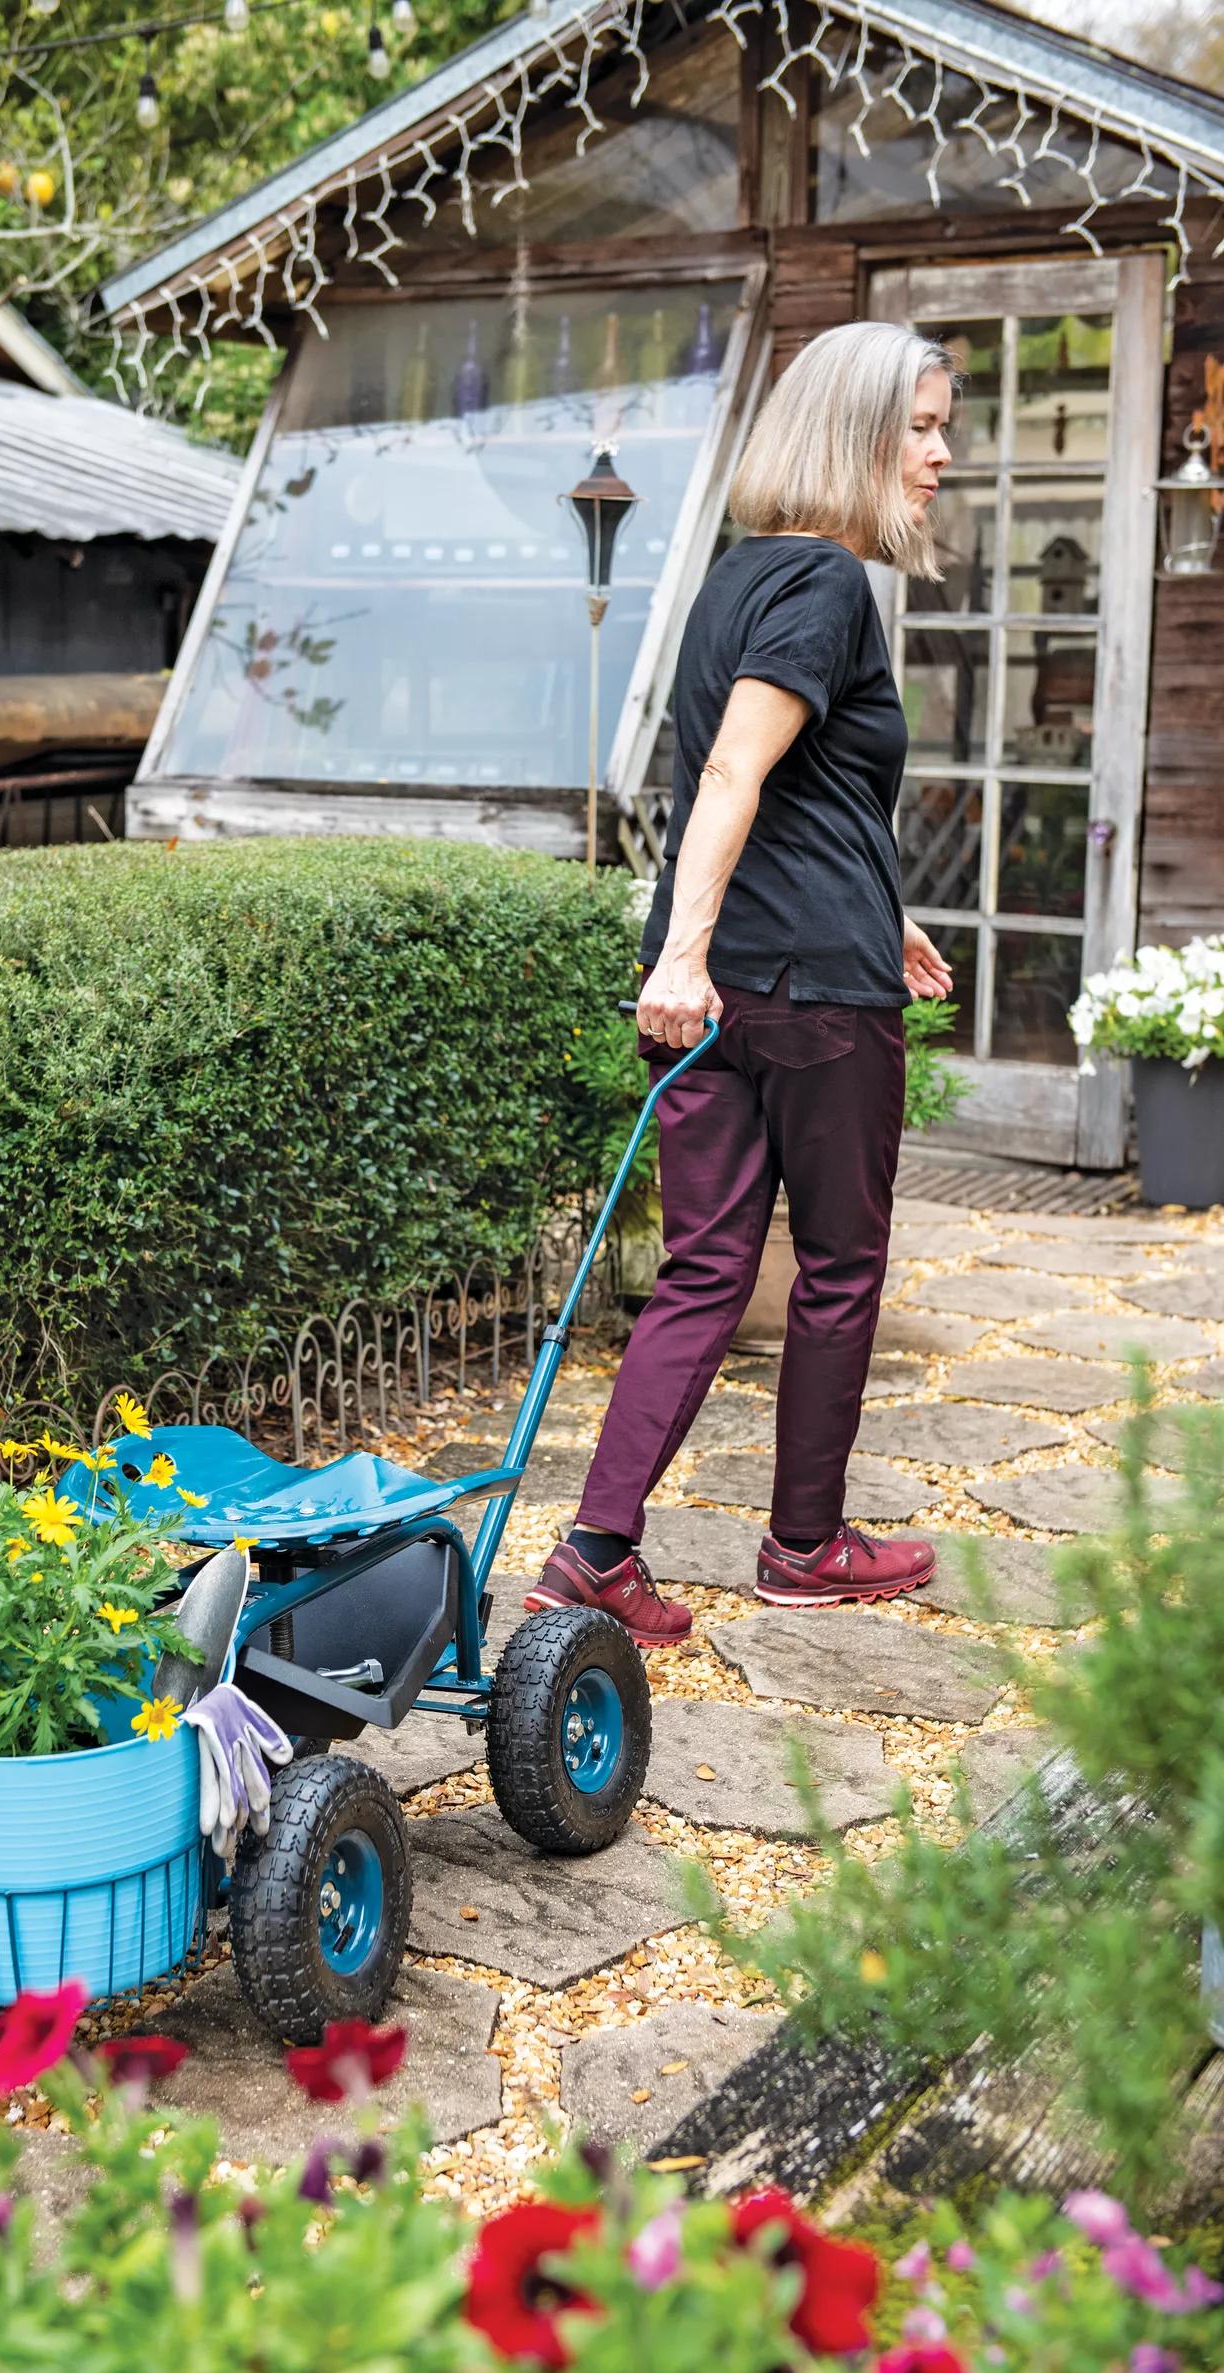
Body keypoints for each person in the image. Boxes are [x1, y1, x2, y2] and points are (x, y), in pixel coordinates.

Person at [529, 320, 956, 1642]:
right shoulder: (828, 588)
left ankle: (595, 1552)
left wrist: (875, 917)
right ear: (855, 435)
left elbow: (797, 792)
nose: (943, 456)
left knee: (707, 1267)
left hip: (754, 983)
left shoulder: (735, 577)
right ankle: (806, 1544)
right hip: (796, 999)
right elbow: (731, 777)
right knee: (838, 1265)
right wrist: (684, 953)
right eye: (923, 427)